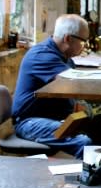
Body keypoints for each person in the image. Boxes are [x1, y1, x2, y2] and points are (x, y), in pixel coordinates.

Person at [12, 14, 93, 159]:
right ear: (67, 38)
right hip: (30, 122)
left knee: (99, 126)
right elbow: (76, 83)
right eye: (83, 42)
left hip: (51, 118)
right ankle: (90, 179)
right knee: (84, 143)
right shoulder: (42, 55)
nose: (84, 47)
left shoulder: (64, 58)